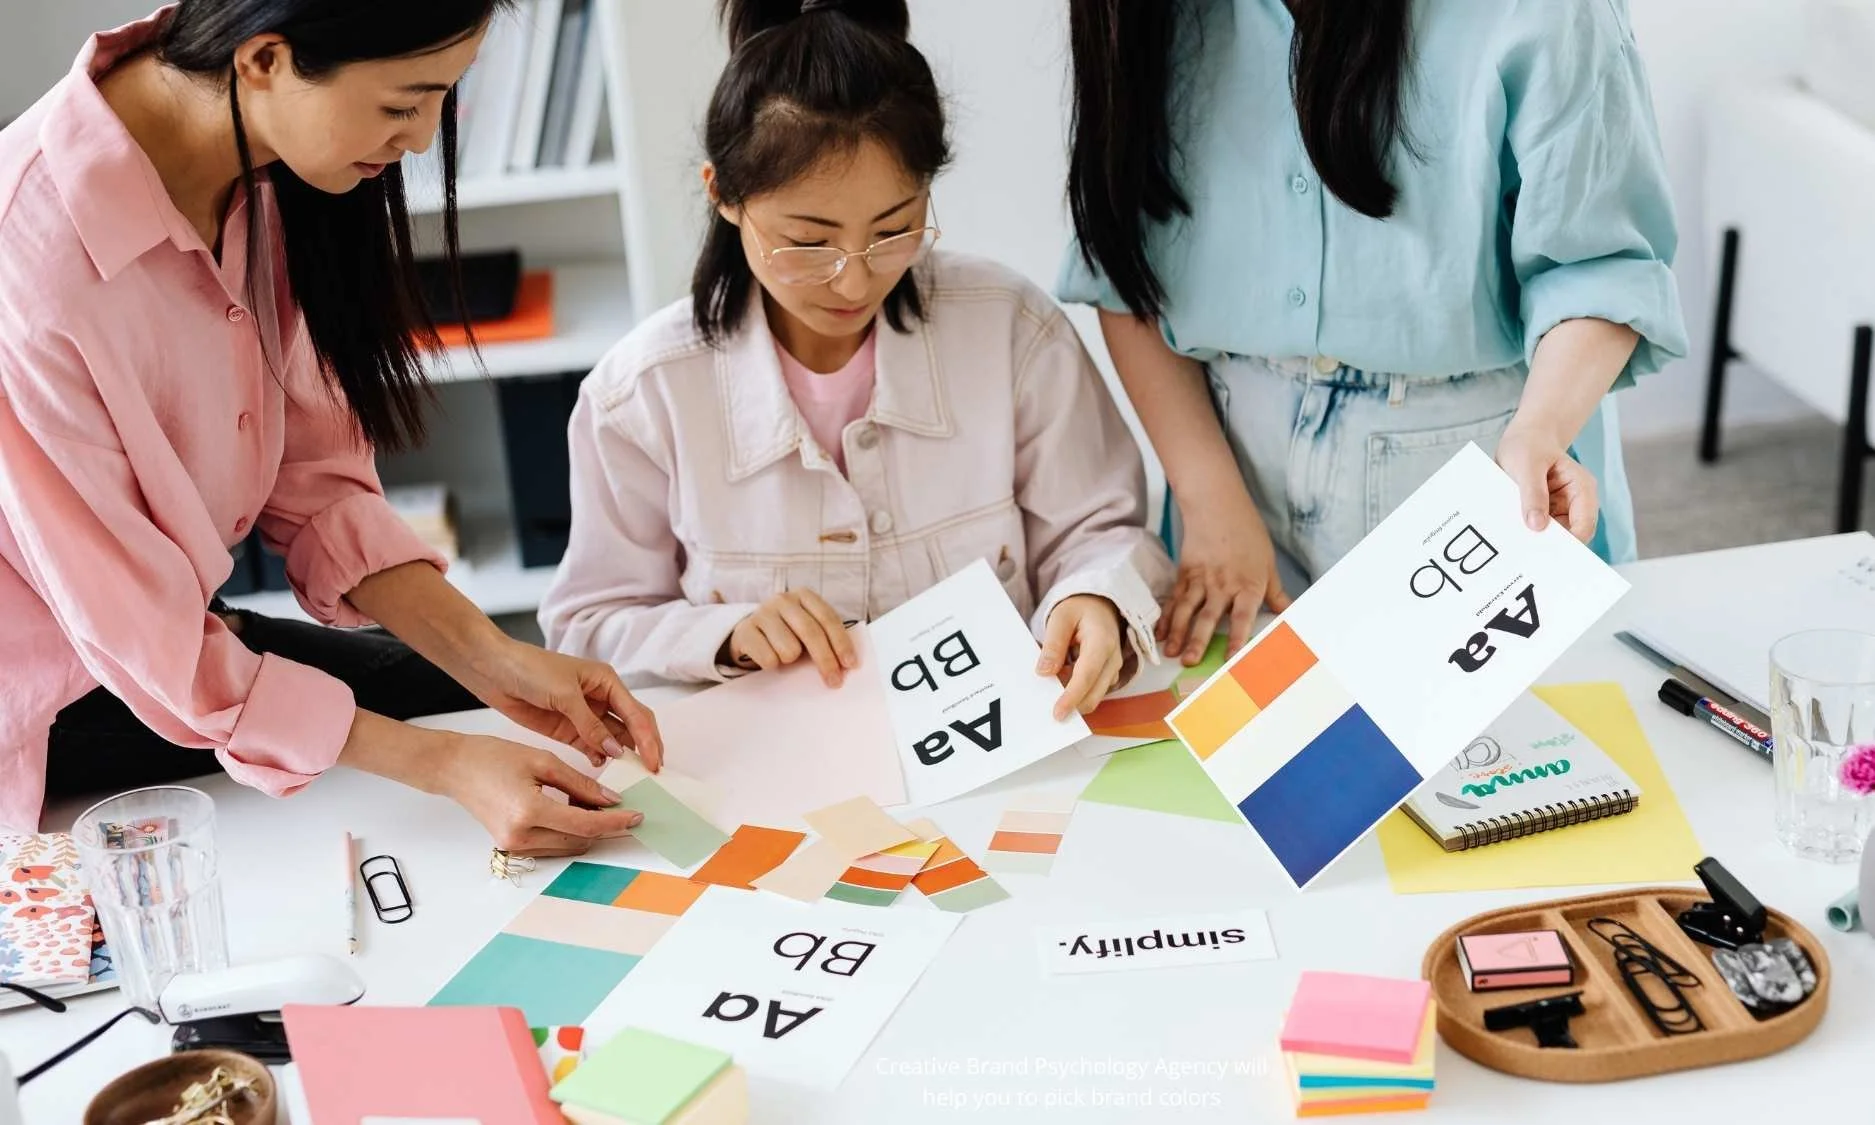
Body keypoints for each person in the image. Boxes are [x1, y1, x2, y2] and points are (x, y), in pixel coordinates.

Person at [0, 1, 664, 857]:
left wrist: (498, 658)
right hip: (54, 700)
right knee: (432, 775)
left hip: (172, 631)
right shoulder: (31, 264)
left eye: (440, 103)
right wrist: (447, 764)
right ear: (265, 58)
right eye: (400, 106)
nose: (421, 141)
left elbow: (314, 483)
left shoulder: (262, 159)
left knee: (454, 704)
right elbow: (149, 650)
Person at [539, 0, 1173, 719]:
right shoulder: (641, 395)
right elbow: (588, 624)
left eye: (893, 230)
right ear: (722, 193)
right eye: (808, 241)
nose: (853, 279)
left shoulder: (1010, 329)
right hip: (776, 775)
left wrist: (1091, 594)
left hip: (1001, 759)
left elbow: (1101, 530)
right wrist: (724, 635)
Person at [1059, 0, 1689, 665]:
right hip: (1228, 487)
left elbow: (1601, 269)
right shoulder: (1144, 19)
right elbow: (1125, 275)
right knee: (1257, 756)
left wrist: (1539, 432)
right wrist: (1207, 495)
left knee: (1521, 753)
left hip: (1479, 475)